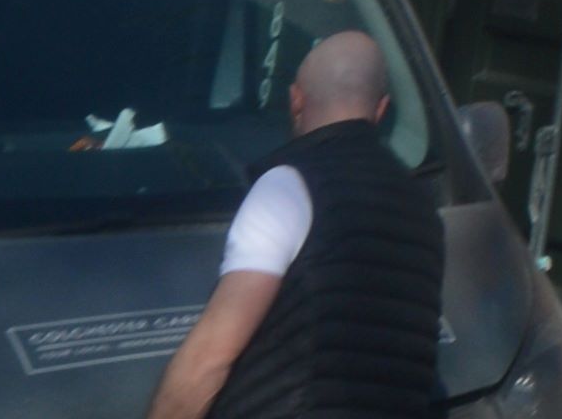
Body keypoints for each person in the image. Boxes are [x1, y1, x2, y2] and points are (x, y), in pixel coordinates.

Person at [143, 29, 444, 419]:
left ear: (296, 99)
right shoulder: (425, 209)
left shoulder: (287, 189)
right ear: (381, 109)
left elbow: (209, 359)